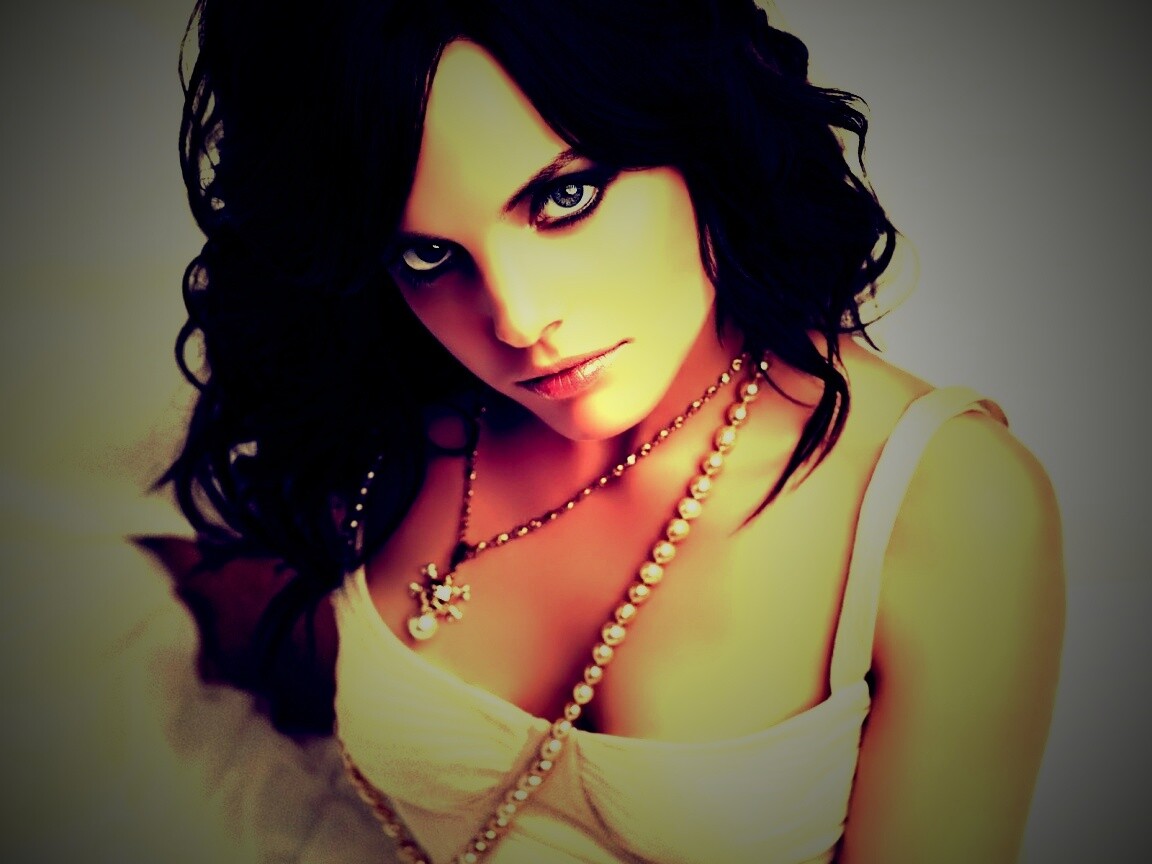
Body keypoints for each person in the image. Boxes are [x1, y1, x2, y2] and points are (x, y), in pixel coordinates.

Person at [156, 0, 1065, 861]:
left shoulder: (945, 503)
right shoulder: (405, 414)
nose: (518, 319)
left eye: (564, 198)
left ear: (697, 127)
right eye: (428, 254)